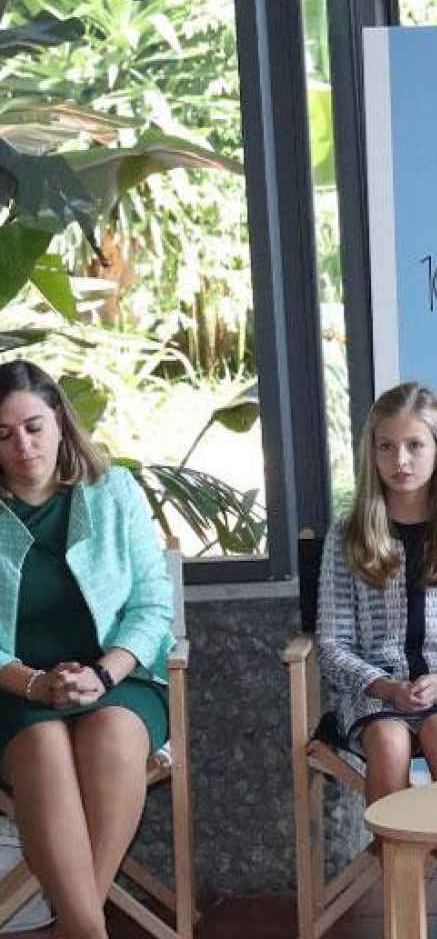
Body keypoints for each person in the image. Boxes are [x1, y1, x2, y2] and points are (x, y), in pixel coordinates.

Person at [316, 382, 437, 939]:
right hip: (375, 694)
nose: (400, 461)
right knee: (388, 742)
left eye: (414, 446)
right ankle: (407, 915)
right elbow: (332, 644)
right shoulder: (347, 538)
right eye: (386, 447)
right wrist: (386, 688)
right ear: (369, 453)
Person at [0, 361, 176, 939]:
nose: (23, 445)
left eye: (33, 426)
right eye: (3, 434)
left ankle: (76, 927)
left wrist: (102, 675)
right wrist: (36, 684)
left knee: (112, 736)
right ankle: (86, 928)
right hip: (15, 689)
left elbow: (152, 607)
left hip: (118, 677)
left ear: (58, 422)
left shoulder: (112, 492)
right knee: (46, 746)